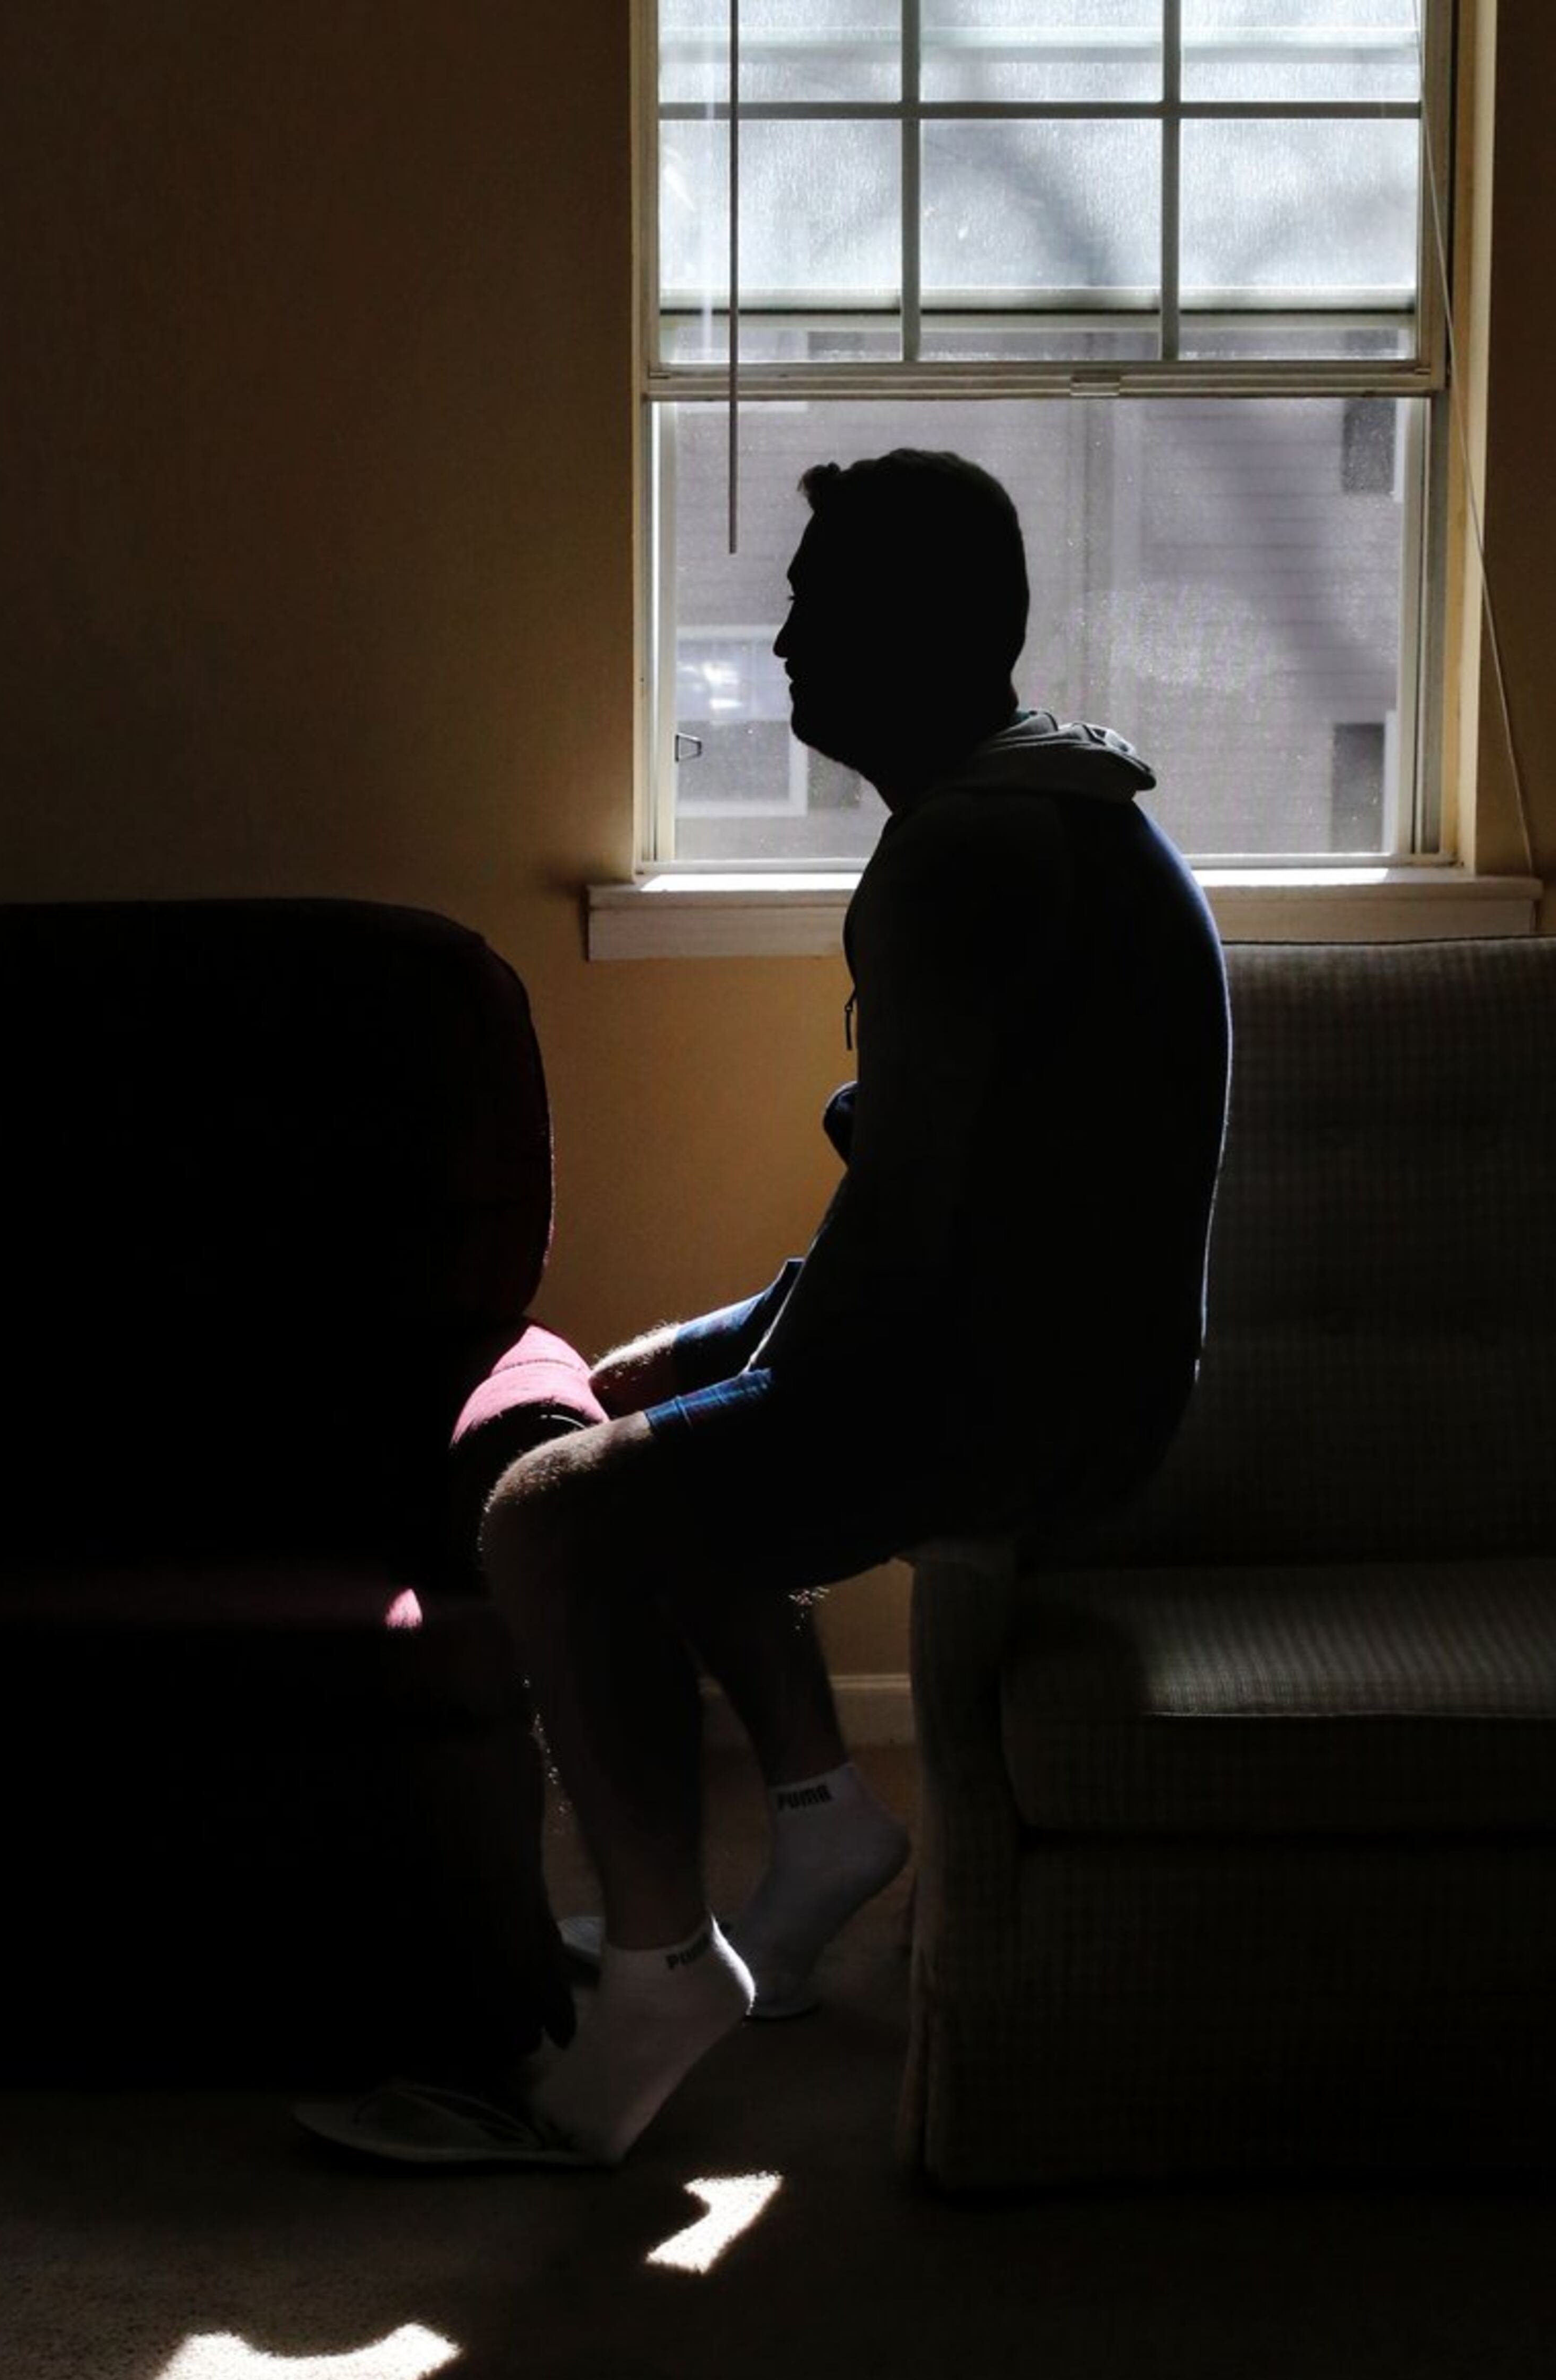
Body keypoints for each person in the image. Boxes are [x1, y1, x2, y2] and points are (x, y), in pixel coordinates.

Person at [298, 447, 1232, 2170]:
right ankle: (818, 1835)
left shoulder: (964, 861)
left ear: (910, 632)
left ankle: (660, 1976)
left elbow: (902, 1237)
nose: (784, 635)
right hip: (1041, 1340)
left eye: (816, 602)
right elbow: (944, 1199)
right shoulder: (1042, 800)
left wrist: (745, 1435)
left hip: (1032, 1398)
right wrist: (716, 1409)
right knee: (636, 1387)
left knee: (553, 1511)